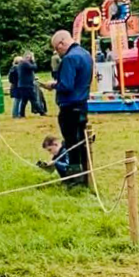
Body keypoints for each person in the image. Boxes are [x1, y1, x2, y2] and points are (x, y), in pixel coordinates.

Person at [39, 30, 93, 187]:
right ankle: (85, 176)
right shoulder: (85, 54)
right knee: (81, 143)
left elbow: (67, 85)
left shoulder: (69, 58)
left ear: (62, 43)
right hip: (82, 105)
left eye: (56, 48)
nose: (57, 52)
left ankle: (75, 180)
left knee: (71, 143)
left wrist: (53, 84)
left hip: (70, 106)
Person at [16, 52, 37, 118]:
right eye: (28, 57)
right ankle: (41, 111)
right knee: (33, 99)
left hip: (23, 84)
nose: (29, 59)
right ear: (24, 57)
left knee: (24, 100)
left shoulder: (21, 63)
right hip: (26, 85)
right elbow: (34, 67)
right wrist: (33, 61)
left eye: (29, 57)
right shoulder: (25, 63)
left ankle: (21, 114)